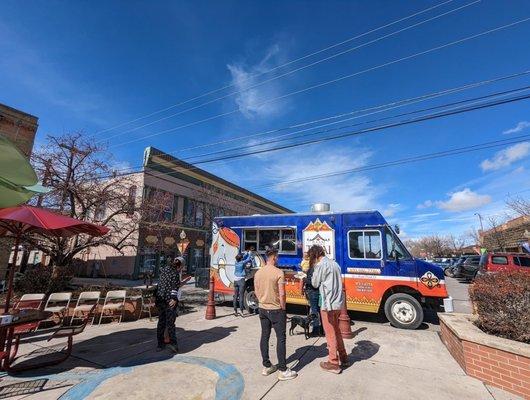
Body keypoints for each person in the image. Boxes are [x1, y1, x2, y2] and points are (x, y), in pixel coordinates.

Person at [254, 248, 297, 381]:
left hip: (262, 308)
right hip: (276, 309)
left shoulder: (258, 272)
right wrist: (283, 308)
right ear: (274, 257)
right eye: (277, 257)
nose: (277, 259)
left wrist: (262, 301)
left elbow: (256, 291)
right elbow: (282, 293)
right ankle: (283, 370)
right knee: (281, 338)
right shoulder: (279, 272)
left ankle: (267, 366)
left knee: (265, 336)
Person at [309, 245, 348, 374]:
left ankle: (333, 362)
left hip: (327, 304)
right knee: (336, 330)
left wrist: (313, 269)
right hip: (338, 303)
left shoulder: (320, 265)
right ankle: (344, 357)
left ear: (314, 255)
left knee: (330, 333)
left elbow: (314, 283)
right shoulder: (335, 264)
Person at [155, 256, 183, 353]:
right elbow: (174, 287)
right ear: (179, 267)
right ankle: (173, 344)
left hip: (160, 299)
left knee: (161, 322)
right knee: (170, 323)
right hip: (169, 301)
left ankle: (160, 344)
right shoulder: (175, 273)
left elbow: (161, 284)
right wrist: (174, 298)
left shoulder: (164, 270)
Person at [302, 253, 322, 337]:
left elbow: (312, 282)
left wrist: (304, 279)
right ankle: (321, 329)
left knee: (314, 311)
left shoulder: (312, 269)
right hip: (317, 291)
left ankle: (316, 330)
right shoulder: (318, 268)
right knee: (319, 310)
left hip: (312, 291)